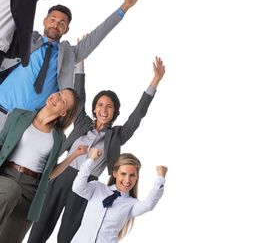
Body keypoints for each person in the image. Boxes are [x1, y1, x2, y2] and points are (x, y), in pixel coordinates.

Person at [27, 56, 165, 243]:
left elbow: (137, 116)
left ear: (115, 112)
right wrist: (80, 64)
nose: (104, 110)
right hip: (62, 176)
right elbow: (79, 95)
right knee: (41, 224)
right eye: (100, 105)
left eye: (109, 107)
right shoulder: (82, 122)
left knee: (68, 234)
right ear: (94, 109)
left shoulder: (118, 135)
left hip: (86, 184)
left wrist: (155, 81)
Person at [0, 0, 143, 132]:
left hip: (24, 126)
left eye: (62, 23)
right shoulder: (26, 39)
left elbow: (98, 35)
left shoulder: (69, 55)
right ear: (44, 21)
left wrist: (124, 8)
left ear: (66, 29)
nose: (56, 25)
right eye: (52, 19)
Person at [0, 88, 90, 243]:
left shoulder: (58, 138)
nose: (57, 97)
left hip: (31, 191)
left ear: (63, 113)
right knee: (11, 190)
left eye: (63, 100)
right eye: (59, 93)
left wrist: (73, 156)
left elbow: (48, 174)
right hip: (6, 176)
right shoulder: (18, 115)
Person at [71, 150, 168, 242]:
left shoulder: (131, 204)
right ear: (115, 173)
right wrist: (91, 160)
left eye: (132, 175)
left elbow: (149, 205)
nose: (127, 180)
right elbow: (77, 187)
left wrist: (161, 178)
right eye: (123, 174)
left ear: (137, 177)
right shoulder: (97, 188)